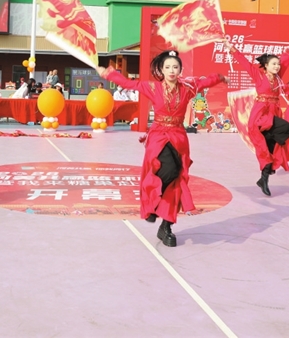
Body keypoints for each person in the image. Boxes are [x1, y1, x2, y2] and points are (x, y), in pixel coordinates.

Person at [97, 51, 227, 247]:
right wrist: (107, 73)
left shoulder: (188, 88)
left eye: (175, 67)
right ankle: (153, 203)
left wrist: (220, 77)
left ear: (180, 69)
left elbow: (205, 82)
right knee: (168, 170)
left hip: (179, 138)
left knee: (177, 180)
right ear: (162, 70)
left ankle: (166, 226)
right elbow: (129, 84)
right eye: (167, 67)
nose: (171, 70)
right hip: (158, 136)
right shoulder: (153, 87)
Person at [224, 38, 289, 196]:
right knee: (285, 127)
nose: (277, 66)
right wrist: (233, 49)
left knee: (270, 147)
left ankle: (263, 179)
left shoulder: (278, 77)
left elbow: (285, 62)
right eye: (274, 64)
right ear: (266, 65)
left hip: (274, 111)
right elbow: (245, 63)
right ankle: (267, 162)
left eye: (278, 64)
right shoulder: (259, 75)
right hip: (261, 113)